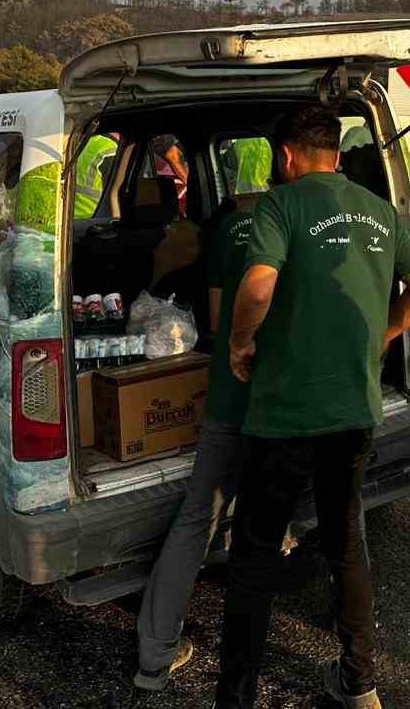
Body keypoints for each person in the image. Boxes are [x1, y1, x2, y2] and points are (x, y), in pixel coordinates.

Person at [216, 106, 410, 709]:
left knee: (255, 555)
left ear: (286, 155)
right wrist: (385, 333)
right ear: (336, 154)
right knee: (345, 541)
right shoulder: (379, 209)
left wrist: (240, 342)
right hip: (355, 410)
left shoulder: (279, 205)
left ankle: (236, 698)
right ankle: (360, 682)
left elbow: (257, 286)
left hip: (284, 414)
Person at [133, 141, 272, 690]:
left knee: (197, 516)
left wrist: (236, 348)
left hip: (232, 395)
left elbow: (217, 320)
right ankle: (352, 664)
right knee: (310, 519)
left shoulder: (225, 231)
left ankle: (154, 657)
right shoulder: (302, 223)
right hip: (293, 401)